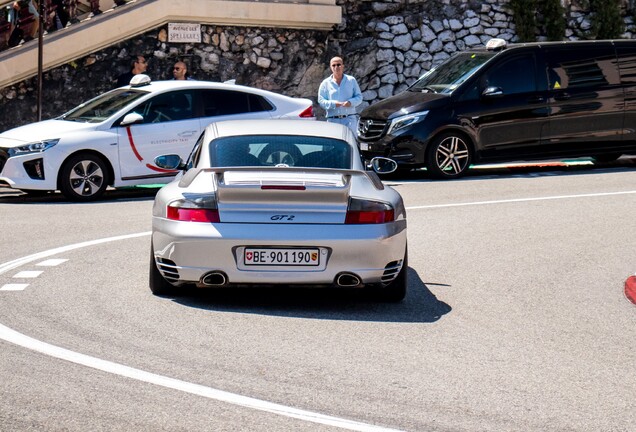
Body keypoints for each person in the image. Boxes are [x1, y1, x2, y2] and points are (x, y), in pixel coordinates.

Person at [318, 56, 362, 135]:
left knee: (351, 144)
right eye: (333, 65)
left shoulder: (351, 80)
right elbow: (321, 101)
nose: (336, 67)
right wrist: (333, 104)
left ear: (343, 66)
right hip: (333, 120)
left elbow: (359, 97)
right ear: (330, 67)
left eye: (338, 65)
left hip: (349, 119)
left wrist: (350, 102)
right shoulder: (325, 83)